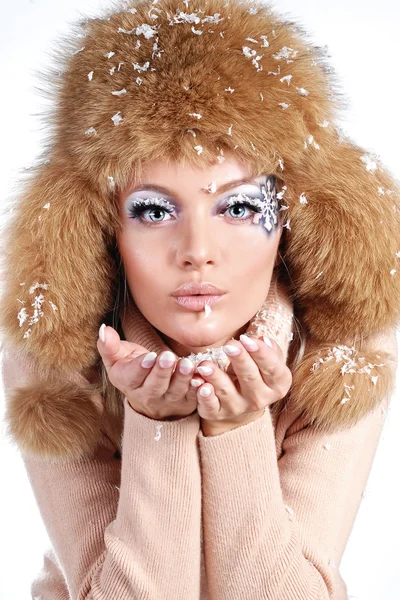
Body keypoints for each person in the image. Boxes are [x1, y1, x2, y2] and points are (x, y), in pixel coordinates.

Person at [0, 0, 399, 598]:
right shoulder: (54, 367)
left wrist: (236, 427)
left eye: (239, 207)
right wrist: (157, 425)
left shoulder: (338, 357)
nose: (198, 252)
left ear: (293, 218)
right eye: (155, 211)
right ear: (103, 226)